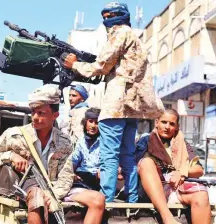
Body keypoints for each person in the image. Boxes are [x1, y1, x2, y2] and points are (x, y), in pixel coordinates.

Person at [63, 2, 163, 202]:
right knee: (127, 156)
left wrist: (75, 65)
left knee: (109, 156)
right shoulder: (134, 37)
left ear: (119, 16)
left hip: (115, 106)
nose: (107, 20)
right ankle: (131, 198)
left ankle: (106, 200)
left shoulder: (120, 33)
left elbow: (101, 65)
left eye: (110, 16)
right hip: (131, 108)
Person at [0, 85, 105, 224]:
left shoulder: (65, 141)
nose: (35, 117)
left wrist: (53, 195)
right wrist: (10, 155)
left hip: (57, 187)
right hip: (29, 185)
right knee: (38, 198)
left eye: (41, 113)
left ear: (55, 115)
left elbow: (66, 173)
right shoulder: (15, 135)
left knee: (98, 199)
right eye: (33, 112)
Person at [137, 109, 210, 224]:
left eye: (172, 124)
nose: (167, 127)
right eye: (164, 122)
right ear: (156, 122)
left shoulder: (182, 143)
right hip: (151, 190)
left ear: (177, 127)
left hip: (175, 188)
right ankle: (167, 218)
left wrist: (181, 172)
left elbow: (199, 170)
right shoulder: (146, 140)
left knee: (201, 196)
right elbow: (134, 165)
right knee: (146, 162)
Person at [65, 108, 105, 223]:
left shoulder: (105, 142)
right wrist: (70, 173)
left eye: (96, 122)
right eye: (90, 121)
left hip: (96, 179)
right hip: (81, 178)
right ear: (85, 122)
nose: (93, 126)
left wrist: (102, 170)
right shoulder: (81, 141)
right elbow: (74, 160)